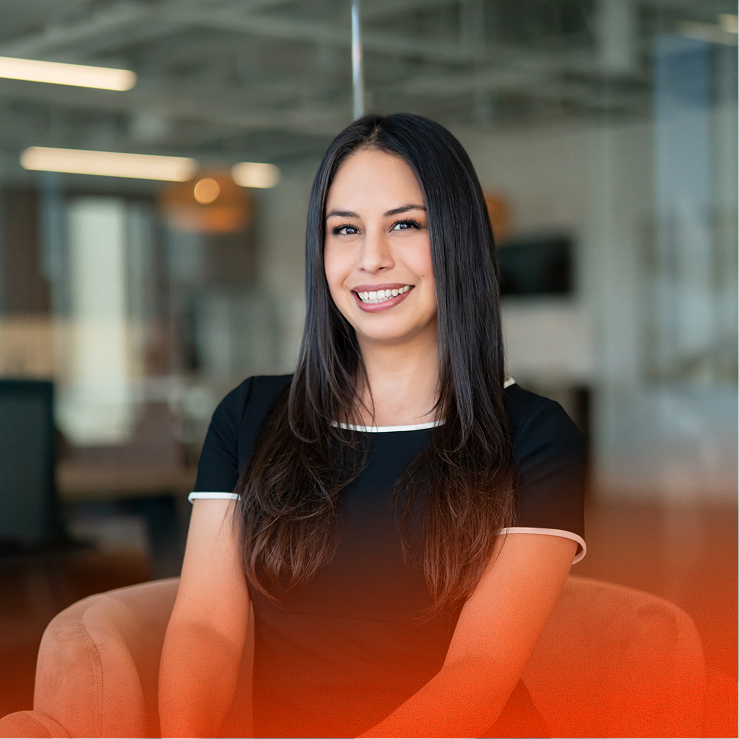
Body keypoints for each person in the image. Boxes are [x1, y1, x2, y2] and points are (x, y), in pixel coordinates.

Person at [158, 113, 586, 738]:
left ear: (458, 240)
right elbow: (206, 627)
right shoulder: (250, 415)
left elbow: (480, 671)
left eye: (406, 224)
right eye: (346, 230)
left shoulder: (537, 437)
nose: (372, 259)